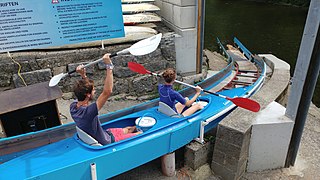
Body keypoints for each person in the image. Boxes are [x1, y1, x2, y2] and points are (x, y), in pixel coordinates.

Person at [70, 53, 141, 145]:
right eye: (93, 90)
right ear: (87, 94)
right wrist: (109, 66)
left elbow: (85, 91)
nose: (95, 91)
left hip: (106, 134)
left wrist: (83, 76)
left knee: (129, 129)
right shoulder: (88, 112)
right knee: (140, 134)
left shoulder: (73, 107)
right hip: (107, 141)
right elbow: (107, 92)